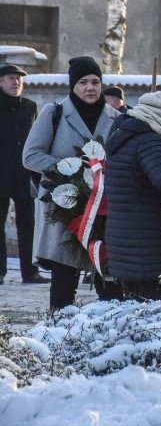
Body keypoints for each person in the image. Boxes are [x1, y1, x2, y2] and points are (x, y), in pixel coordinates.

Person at [23, 56, 121, 309]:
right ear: (72, 85)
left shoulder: (119, 117)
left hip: (106, 211)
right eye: (83, 82)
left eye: (96, 82)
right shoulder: (54, 113)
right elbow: (31, 156)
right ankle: (59, 338)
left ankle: (113, 338)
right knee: (64, 288)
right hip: (65, 210)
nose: (90, 88)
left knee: (110, 286)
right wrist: (71, 169)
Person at [104, 90, 161, 300]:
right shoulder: (149, 140)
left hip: (124, 239)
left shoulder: (124, 131)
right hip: (146, 244)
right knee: (155, 313)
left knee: (134, 309)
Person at [0, 64, 48, 285]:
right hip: (1, 173)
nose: (16, 82)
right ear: (1, 82)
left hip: (24, 175)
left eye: (19, 79)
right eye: (11, 78)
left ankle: (29, 272)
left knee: (28, 225)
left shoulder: (30, 106)